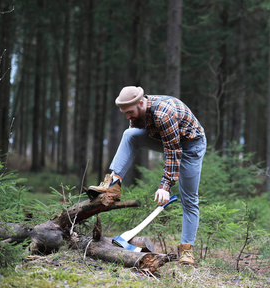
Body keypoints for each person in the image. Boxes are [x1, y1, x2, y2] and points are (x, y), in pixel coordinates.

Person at [88, 86, 206, 265]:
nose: (127, 116)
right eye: (124, 113)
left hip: (191, 146)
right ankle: (113, 183)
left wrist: (165, 186)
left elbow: (173, 151)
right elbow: (164, 142)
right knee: (130, 134)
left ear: (141, 103)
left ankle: (186, 251)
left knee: (189, 199)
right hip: (168, 139)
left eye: (129, 112)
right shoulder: (137, 114)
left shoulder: (163, 114)